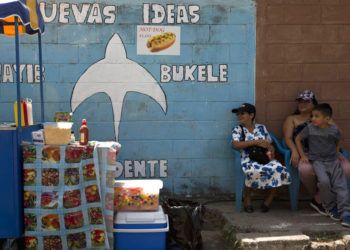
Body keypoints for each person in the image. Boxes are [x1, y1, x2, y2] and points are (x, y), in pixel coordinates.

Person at [283, 90, 350, 215]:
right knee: (305, 170)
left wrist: (337, 152)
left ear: (314, 104)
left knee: (346, 167)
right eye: (300, 102)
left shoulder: (322, 118)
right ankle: (320, 198)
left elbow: (337, 134)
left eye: (306, 102)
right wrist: (295, 151)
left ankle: (322, 199)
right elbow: (288, 138)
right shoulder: (292, 119)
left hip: (328, 153)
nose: (302, 104)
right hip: (306, 153)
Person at [295, 103, 350, 227]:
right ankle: (330, 207)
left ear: (327, 119)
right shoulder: (309, 128)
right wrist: (302, 155)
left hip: (333, 161)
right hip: (318, 161)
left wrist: (337, 152)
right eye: (312, 116)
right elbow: (298, 139)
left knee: (340, 186)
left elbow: (338, 139)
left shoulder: (334, 129)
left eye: (316, 116)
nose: (313, 118)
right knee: (324, 182)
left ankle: (345, 214)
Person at [231, 103, 291, 213]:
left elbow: (269, 142)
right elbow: (235, 145)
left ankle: (270, 198)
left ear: (251, 115)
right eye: (238, 114)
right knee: (252, 170)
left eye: (242, 113)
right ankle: (247, 198)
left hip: (264, 157)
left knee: (278, 169)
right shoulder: (237, 129)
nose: (239, 116)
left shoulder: (261, 128)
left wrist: (270, 148)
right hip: (248, 159)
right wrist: (256, 142)